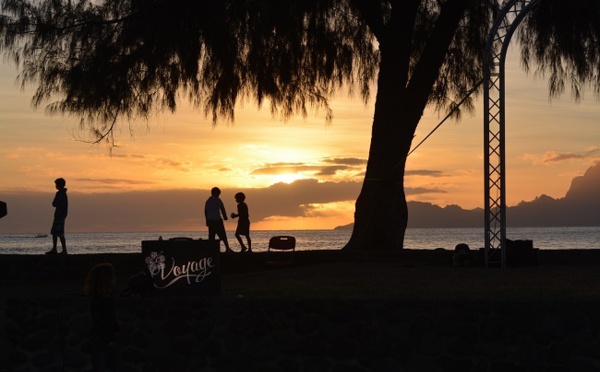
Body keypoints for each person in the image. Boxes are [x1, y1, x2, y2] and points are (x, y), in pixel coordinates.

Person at [84, 263, 121, 371]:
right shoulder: (102, 302)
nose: (115, 280)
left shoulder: (104, 300)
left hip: (102, 339)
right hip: (103, 341)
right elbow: (102, 322)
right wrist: (110, 340)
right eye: (113, 277)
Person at [204, 187, 233, 253]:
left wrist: (207, 220)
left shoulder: (208, 201)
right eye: (218, 193)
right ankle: (227, 248)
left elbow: (205, 211)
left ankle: (211, 250)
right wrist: (225, 216)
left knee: (211, 236)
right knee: (222, 235)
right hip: (217, 220)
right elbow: (222, 208)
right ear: (216, 193)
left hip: (210, 221)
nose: (219, 195)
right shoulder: (218, 200)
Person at [47, 178, 68, 255]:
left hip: (59, 215)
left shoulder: (60, 193)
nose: (55, 186)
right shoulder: (64, 194)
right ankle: (62, 250)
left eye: (56, 184)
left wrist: (54, 203)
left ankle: (56, 249)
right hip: (61, 215)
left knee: (56, 233)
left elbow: (55, 203)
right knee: (59, 233)